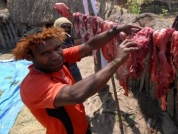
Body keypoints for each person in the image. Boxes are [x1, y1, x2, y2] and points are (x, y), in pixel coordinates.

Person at [13, 24, 141, 134]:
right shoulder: (32, 86)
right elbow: (76, 95)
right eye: (45, 53)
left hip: (82, 127)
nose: (56, 56)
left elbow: (90, 45)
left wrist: (117, 29)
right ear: (30, 57)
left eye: (57, 48)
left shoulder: (60, 59)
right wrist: (117, 61)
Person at [54, 17, 82, 82]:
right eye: (64, 27)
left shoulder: (70, 39)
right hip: (62, 74)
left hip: (74, 70)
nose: (67, 29)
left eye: (69, 27)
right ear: (57, 27)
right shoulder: (53, 42)